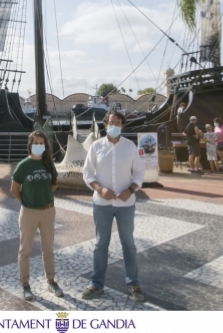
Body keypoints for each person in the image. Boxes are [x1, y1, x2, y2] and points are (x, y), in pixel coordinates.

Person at [81, 109, 146, 303]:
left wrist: (131, 190)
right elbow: (87, 173)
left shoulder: (130, 147)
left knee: (129, 245)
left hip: (126, 204)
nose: (114, 125)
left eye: (118, 122)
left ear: (123, 125)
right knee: (101, 244)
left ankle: (133, 284)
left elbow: (139, 173)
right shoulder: (96, 147)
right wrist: (100, 189)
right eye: (111, 122)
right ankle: (96, 283)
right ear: (105, 124)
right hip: (102, 203)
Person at [11, 131, 63, 301]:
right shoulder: (23, 165)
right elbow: (14, 189)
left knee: (48, 249)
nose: (39, 146)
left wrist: (43, 195)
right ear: (30, 144)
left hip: (48, 211)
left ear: (45, 146)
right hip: (29, 212)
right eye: (36, 143)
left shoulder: (48, 164)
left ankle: (51, 281)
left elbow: (54, 184)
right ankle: (25, 284)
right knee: (25, 249)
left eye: (42, 143)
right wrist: (26, 201)